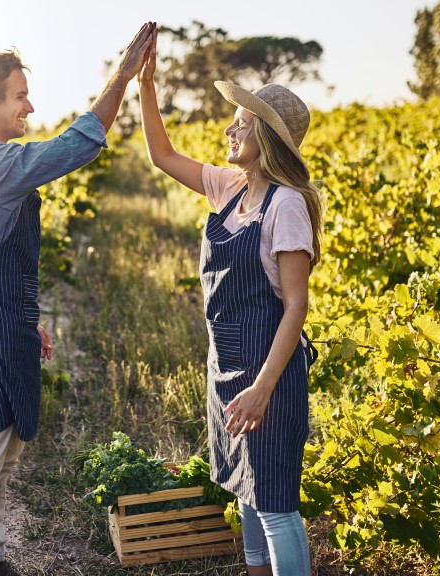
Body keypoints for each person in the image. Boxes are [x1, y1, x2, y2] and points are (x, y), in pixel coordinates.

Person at [0, 23, 156, 576]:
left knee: (4, 453)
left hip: (0, 320)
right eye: (19, 96)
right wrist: (121, 76)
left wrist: (26, 319)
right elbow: (75, 146)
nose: (29, 105)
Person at [137, 29, 322, 576]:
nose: (228, 128)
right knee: (243, 490)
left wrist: (263, 388)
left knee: (275, 507)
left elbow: (295, 308)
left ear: (265, 136)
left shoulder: (286, 205)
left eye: (240, 123)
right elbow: (162, 154)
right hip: (226, 364)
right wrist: (147, 84)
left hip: (270, 370)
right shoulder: (231, 187)